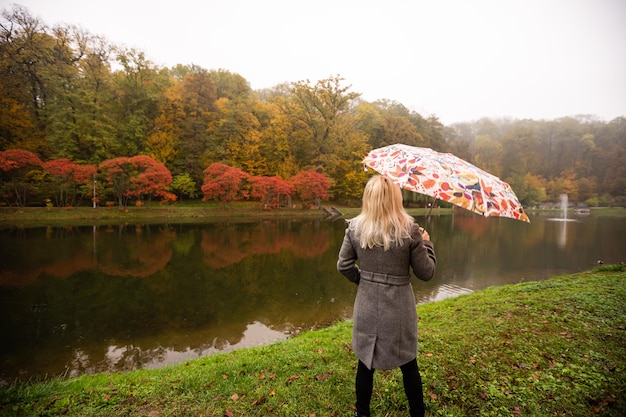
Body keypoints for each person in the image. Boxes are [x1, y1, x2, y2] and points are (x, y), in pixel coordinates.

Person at [337, 175, 437, 417]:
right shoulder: (410, 231)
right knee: (409, 364)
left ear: (368, 198)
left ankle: (362, 413)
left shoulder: (355, 228)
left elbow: (344, 265)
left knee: (365, 364)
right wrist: (427, 243)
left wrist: (363, 280)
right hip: (399, 308)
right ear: (396, 198)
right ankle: (417, 412)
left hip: (367, 306)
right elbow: (427, 272)